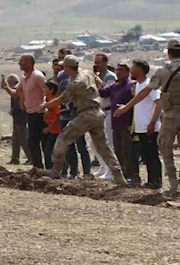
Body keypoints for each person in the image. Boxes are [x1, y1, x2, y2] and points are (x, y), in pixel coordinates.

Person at [115, 38, 180, 196]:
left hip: (170, 115)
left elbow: (145, 92)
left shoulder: (162, 71)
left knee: (165, 148)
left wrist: (126, 107)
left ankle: (173, 185)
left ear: (169, 53)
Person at [39, 55, 127, 185]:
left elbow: (60, 100)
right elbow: (100, 84)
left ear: (68, 68)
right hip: (98, 113)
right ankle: (118, 175)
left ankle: (55, 170)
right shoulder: (87, 73)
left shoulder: (74, 84)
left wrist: (45, 105)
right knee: (103, 146)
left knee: (63, 138)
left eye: (64, 66)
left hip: (86, 114)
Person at [1, 54, 47, 168]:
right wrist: (6, 88)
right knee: (32, 143)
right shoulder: (24, 77)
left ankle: (44, 168)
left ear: (30, 63)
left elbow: (48, 92)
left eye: (22, 61)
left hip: (40, 114)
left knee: (39, 143)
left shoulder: (37, 76)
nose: (19, 63)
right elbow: (16, 93)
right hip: (30, 114)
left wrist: (47, 107)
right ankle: (37, 168)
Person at [57, 51, 91, 178]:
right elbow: (60, 92)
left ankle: (87, 172)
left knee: (81, 145)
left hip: (77, 113)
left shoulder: (82, 75)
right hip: (64, 113)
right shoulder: (61, 75)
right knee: (68, 144)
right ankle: (73, 171)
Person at [129, 60, 162, 189]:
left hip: (150, 127)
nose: (131, 71)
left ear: (139, 70)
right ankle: (151, 180)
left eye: (133, 68)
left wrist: (152, 122)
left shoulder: (149, 85)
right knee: (146, 156)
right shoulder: (138, 85)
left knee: (152, 155)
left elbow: (159, 104)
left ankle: (156, 181)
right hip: (141, 127)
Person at [99, 62, 134, 182]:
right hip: (116, 123)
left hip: (127, 123)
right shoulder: (114, 86)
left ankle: (130, 175)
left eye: (121, 70)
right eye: (117, 70)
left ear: (127, 72)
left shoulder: (131, 86)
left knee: (128, 151)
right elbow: (102, 92)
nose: (118, 72)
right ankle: (121, 175)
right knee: (118, 150)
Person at [94, 53, 117, 180]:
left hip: (108, 111)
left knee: (109, 142)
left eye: (99, 63)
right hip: (99, 111)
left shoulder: (110, 77)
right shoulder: (98, 76)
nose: (97, 65)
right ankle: (103, 167)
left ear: (105, 63)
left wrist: (97, 82)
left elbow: (104, 92)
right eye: (95, 62)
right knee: (95, 143)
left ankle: (111, 171)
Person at [5, 74, 30, 165]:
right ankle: (15, 158)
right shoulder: (18, 89)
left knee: (23, 139)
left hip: (20, 118)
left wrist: (13, 111)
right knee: (16, 139)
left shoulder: (17, 90)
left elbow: (20, 104)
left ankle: (30, 158)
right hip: (17, 118)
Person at [42, 81, 61, 169]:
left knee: (51, 151)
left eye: (45, 88)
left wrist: (49, 128)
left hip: (56, 130)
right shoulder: (47, 100)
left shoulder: (54, 101)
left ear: (51, 90)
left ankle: (54, 169)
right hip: (52, 130)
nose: (43, 90)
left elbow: (58, 117)